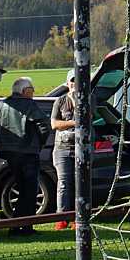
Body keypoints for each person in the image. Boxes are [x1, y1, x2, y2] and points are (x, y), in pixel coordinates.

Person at [0, 76, 52, 234]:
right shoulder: (29, 105)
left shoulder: (2, 105)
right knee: (30, 190)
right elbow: (44, 125)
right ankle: (24, 226)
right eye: (31, 89)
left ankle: (16, 225)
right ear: (24, 91)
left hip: (9, 154)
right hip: (28, 153)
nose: (33, 92)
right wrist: (40, 143)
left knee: (21, 187)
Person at [51, 70, 80, 231]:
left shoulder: (88, 99)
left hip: (81, 149)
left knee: (79, 183)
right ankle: (61, 218)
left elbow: (87, 118)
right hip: (62, 149)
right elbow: (55, 124)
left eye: (77, 80)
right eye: (72, 81)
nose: (74, 83)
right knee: (63, 183)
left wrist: (75, 100)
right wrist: (74, 123)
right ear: (67, 83)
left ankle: (78, 218)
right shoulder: (60, 101)